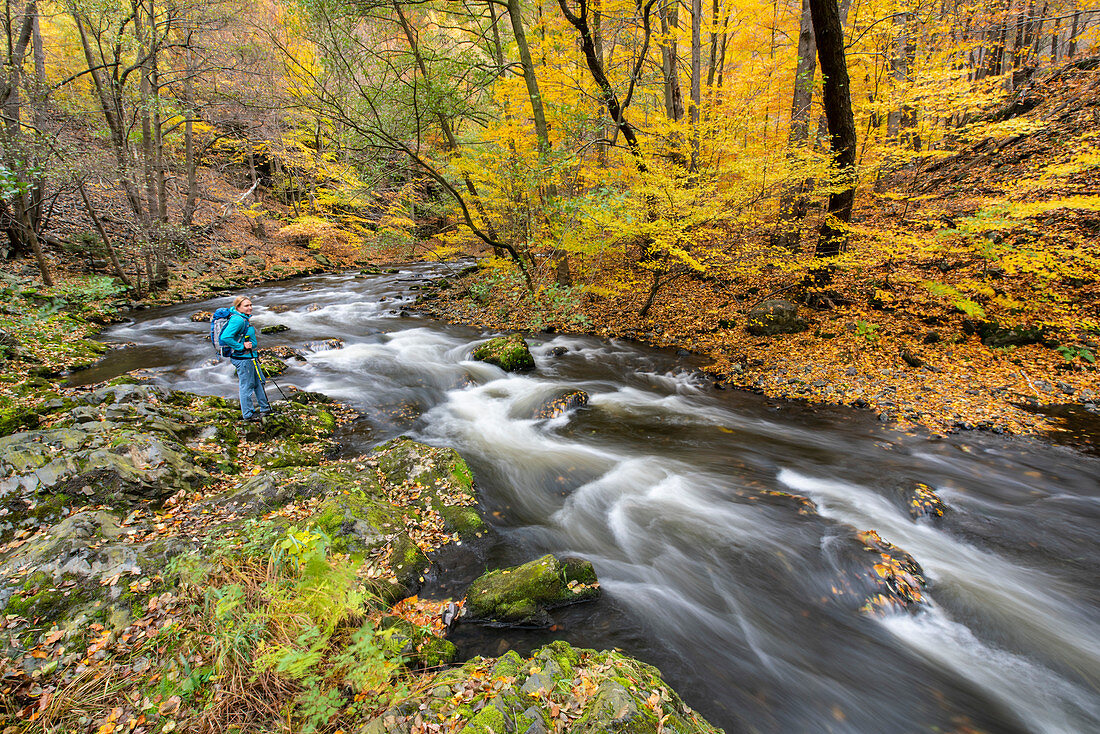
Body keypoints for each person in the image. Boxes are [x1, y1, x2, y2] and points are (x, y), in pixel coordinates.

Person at [219, 295, 271, 421]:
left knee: (259, 381)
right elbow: (225, 337)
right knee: (247, 386)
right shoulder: (238, 320)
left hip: (250, 356)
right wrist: (240, 346)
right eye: (246, 306)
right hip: (242, 358)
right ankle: (248, 414)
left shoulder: (244, 318)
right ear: (238, 307)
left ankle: (265, 408)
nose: (250, 308)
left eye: (251, 305)